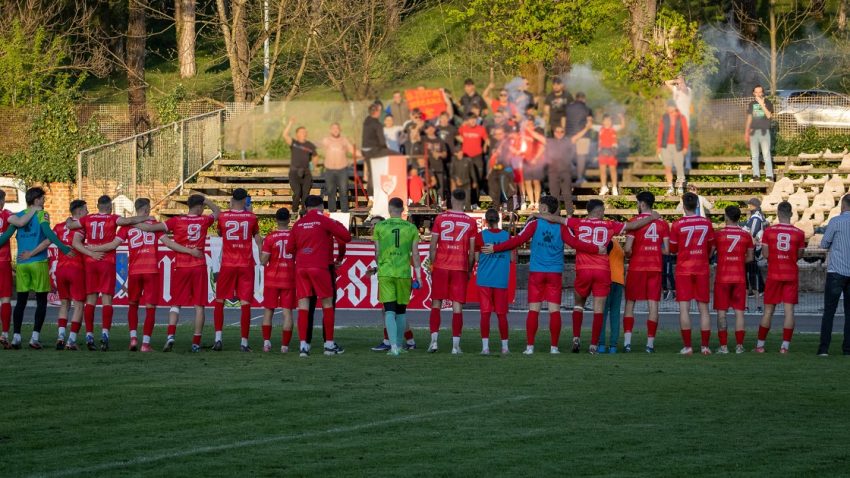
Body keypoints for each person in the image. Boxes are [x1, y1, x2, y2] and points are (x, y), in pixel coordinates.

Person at [535, 200, 658, 353]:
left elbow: (555, 218)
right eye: (603, 209)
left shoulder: (578, 223)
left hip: (583, 269)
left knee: (579, 304)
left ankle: (576, 338)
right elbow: (633, 226)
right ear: (599, 211)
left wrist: (536, 215)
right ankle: (593, 345)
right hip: (602, 270)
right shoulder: (609, 225)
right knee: (598, 309)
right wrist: (652, 217)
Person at [488, 196, 605, 354]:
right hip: (554, 273)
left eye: (540, 206)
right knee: (554, 311)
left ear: (543, 208)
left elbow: (517, 240)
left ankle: (530, 347)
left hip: (536, 272)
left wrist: (495, 248)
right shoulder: (562, 227)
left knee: (533, 310)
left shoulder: (534, 224)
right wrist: (596, 249)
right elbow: (576, 243)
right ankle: (554, 348)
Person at [137, 194, 219, 352]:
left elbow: (150, 228)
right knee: (199, 306)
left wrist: (134, 223)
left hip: (181, 266)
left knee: (176, 304)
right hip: (198, 265)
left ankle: (171, 336)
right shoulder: (204, 221)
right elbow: (218, 212)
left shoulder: (177, 220)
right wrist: (207, 200)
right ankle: (195, 342)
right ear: (200, 207)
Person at [66, 194, 148, 351]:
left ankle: (89, 335)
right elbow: (129, 221)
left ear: (97, 206)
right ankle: (105, 335)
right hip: (107, 262)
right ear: (110, 207)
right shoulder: (113, 218)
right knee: (106, 301)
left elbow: (70, 227)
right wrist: (146, 217)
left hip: (90, 263)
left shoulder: (87, 219)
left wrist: (90, 252)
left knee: (90, 301)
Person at [0, 188, 74, 350]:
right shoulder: (42, 214)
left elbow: (6, 235)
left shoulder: (19, 215)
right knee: (41, 301)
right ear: (36, 200)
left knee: (21, 301)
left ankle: (16, 338)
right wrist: (63, 248)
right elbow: (48, 233)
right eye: (42, 198)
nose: (44, 200)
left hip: (22, 263)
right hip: (38, 261)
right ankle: (34, 337)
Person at [287, 194, 352, 357]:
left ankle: (303, 347)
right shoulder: (325, 220)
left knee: (304, 306)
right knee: (327, 304)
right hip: (321, 266)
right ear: (321, 207)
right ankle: (329, 345)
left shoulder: (298, 224)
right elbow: (346, 237)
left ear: (306, 208)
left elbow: (289, 249)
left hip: (302, 267)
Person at [426, 189, 477, 354]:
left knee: (436, 303)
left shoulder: (440, 218)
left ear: (451, 199)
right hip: (459, 267)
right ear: (464, 200)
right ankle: (455, 346)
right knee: (457, 307)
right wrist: (469, 270)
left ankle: (433, 342)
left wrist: (433, 265)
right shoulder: (470, 222)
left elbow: (432, 245)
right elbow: (471, 251)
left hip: (441, 266)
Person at [372, 198, 422, 356]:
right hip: (403, 273)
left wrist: (381, 265)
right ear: (403, 209)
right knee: (401, 311)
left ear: (389, 209)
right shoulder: (411, 227)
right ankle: (399, 345)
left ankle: (393, 347)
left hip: (386, 272)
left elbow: (377, 252)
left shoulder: (379, 226)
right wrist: (419, 276)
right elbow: (415, 254)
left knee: (389, 311)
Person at [212, 188, 261, 352]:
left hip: (228, 263)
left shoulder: (224, 216)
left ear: (232, 200)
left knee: (219, 300)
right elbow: (256, 235)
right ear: (246, 200)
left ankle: (218, 339)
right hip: (246, 264)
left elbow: (220, 233)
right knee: (245, 302)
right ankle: (244, 343)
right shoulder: (252, 217)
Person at [623, 191, 670, 353]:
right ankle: (649, 345)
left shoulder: (633, 222)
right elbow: (667, 250)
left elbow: (628, 249)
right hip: (655, 266)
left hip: (637, 266)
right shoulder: (662, 224)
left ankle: (627, 343)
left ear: (642, 204)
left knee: (630, 303)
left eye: (637, 203)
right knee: (653, 305)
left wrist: (629, 254)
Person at [669, 192, 716, 355]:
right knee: (704, 309)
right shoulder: (707, 223)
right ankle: (705, 346)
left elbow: (673, 248)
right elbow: (711, 247)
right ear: (697, 204)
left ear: (683, 205)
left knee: (684, 309)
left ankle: (688, 346)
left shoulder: (677, 224)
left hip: (684, 269)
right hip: (701, 267)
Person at [755, 201, 805, 354]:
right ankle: (784, 347)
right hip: (790, 273)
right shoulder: (799, 233)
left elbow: (765, 254)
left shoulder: (769, 231)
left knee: (768, 310)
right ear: (791, 213)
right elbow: (799, 255)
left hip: (774, 273)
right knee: (789, 311)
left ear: (777, 213)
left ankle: (760, 346)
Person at [53, 200, 102, 350]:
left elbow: (47, 241)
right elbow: (79, 243)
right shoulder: (83, 226)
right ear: (79, 211)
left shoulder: (60, 226)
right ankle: (71, 340)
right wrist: (92, 253)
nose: (87, 212)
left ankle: (61, 336)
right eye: (86, 210)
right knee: (79, 305)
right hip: (76, 269)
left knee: (64, 303)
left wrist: (31, 253)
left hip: (60, 269)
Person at [713, 205, 754, 354]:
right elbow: (750, 257)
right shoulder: (745, 235)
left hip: (723, 277)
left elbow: (710, 252)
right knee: (739, 312)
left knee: (721, 313)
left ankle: (723, 346)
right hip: (739, 277)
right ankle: (739, 346)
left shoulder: (719, 234)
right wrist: (737, 260)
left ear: (726, 217)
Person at [474, 209, 512, 355]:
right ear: (498, 220)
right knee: (501, 314)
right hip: (501, 279)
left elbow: (477, 258)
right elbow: (512, 258)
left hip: (484, 279)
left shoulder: (480, 236)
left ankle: (485, 347)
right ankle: (505, 347)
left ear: (485, 221)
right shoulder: (507, 236)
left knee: (485, 314)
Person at [260, 208, 296, 353]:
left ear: (276, 219)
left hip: (272, 279)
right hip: (289, 278)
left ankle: (267, 343)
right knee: (287, 313)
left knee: (268, 311)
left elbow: (263, 261)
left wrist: (258, 246)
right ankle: (284, 346)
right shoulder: (295, 236)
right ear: (289, 220)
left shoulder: (270, 237)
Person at [817, 194, 850, 356]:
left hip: (836, 272)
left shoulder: (836, 221)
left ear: (843, 206)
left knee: (829, 312)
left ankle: (824, 349)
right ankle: (848, 349)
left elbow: (824, 244)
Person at [362, 103, 398, 196]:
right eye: (380, 111)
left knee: (372, 173)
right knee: (398, 155)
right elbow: (382, 141)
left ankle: (371, 197)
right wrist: (386, 150)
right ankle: (395, 189)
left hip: (366, 150)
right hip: (374, 151)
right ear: (377, 112)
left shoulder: (367, 120)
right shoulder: (377, 124)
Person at [321, 123, 357, 213]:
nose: (335, 130)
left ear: (340, 129)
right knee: (330, 192)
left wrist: (354, 144)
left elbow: (353, 151)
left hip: (342, 170)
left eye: (337, 128)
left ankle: (344, 212)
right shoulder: (326, 140)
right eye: (333, 128)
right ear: (330, 130)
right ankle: (332, 212)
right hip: (329, 170)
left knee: (344, 192)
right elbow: (317, 151)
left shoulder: (344, 140)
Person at [283, 118, 317, 215]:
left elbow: (315, 156)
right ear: (297, 134)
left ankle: (304, 212)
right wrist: (290, 123)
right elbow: (285, 135)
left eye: (305, 132)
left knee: (306, 194)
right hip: (294, 173)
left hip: (306, 173)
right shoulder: (294, 143)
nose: (304, 134)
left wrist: (313, 166)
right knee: (297, 193)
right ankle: (294, 211)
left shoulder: (309, 145)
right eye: (302, 132)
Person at [657, 100, 689, 195]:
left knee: (679, 167)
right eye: (668, 107)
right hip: (665, 146)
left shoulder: (681, 117)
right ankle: (670, 187)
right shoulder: (664, 117)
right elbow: (660, 132)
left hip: (678, 146)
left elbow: (685, 133)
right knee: (667, 167)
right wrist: (658, 146)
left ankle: (680, 187)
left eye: (670, 107)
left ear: (674, 107)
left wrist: (685, 147)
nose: (668, 109)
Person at [458, 112, 489, 209]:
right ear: (467, 120)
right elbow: (456, 136)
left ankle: (475, 202)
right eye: (471, 119)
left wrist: (485, 146)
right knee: (466, 180)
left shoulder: (481, 129)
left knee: (477, 180)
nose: (472, 121)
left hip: (477, 157)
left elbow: (487, 139)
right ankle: (465, 202)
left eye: (474, 119)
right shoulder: (463, 128)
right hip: (466, 157)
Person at [598, 240, 625, 354]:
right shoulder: (618, 244)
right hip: (619, 280)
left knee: (601, 313)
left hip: (607, 278)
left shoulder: (607, 242)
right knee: (615, 313)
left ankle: (601, 345)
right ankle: (613, 346)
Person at [745, 85, 774, 181]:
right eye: (756, 92)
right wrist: (746, 132)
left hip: (764, 131)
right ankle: (756, 176)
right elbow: (749, 118)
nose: (758, 94)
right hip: (753, 132)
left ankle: (769, 176)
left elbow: (769, 116)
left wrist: (762, 104)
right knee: (754, 155)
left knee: (766, 154)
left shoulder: (768, 102)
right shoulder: (751, 104)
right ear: (753, 93)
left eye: (760, 92)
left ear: (762, 93)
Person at [545, 125, 575, 215]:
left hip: (565, 172)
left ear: (564, 133)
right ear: (554, 133)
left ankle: (569, 215)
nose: (559, 133)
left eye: (561, 131)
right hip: (553, 172)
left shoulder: (567, 142)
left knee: (567, 194)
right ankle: (556, 215)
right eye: (557, 131)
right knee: (554, 196)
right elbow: (539, 137)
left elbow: (577, 136)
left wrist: (587, 128)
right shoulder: (550, 142)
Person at [665, 75, 693, 171]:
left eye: (681, 80)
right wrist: (675, 81)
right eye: (678, 81)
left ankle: (688, 162)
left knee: (686, 142)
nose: (679, 83)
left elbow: (684, 89)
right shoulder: (675, 90)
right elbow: (666, 82)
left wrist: (681, 82)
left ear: (684, 81)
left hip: (685, 121)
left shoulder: (688, 90)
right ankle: (674, 162)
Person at [564, 92, 593, 184]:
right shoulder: (587, 109)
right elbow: (589, 124)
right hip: (583, 136)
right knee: (581, 157)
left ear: (575, 98)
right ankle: (580, 178)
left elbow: (563, 122)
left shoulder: (567, 108)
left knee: (569, 157)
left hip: (569, 135)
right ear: (584, 99)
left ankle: (567, 176)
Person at [594, 113, 625, 196]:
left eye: (609, 120)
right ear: (603, 122)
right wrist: (588, 118)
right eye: (606, 120)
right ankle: (604, 186)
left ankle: (614, 187)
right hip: (602, 152)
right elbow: (590, 126)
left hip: (612, 151)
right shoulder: (600, 128)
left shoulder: (614, 128)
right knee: (602, 171)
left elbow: (622, 126)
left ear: (611, 122)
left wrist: (622, 118)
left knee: (613, 170)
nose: (607, 122)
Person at [745, 198, 767, 313]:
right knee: (753, 276)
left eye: (749, 205)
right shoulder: (759, 217)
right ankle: (753, 303)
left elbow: (751, 234)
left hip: (753, 250)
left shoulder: (756, 218)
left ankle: (754, 305)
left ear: (753, 206)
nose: (748, 207)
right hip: (755, 249)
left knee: (752, 277)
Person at [486, 127, 516, 212]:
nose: (498, 136)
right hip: (495, 171)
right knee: (495, 193)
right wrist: (489, 171)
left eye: (500, 134)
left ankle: (510, 214)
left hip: (506, 170)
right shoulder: (493, 143)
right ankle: (496, 213)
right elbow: (491, 158)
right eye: (496, 134)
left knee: (508, 193)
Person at [422, 123, 448, 208]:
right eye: (428, 128)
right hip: (427, 169)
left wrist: (439, 154)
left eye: (432, 128)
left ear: (434, 129)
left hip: (439, 168)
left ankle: (441, 206)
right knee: (428, 189)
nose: (430, 130)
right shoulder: (423, 139)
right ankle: (428, 205)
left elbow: (445, 154)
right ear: (425, 130)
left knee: (440, 189)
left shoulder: (440, 140)